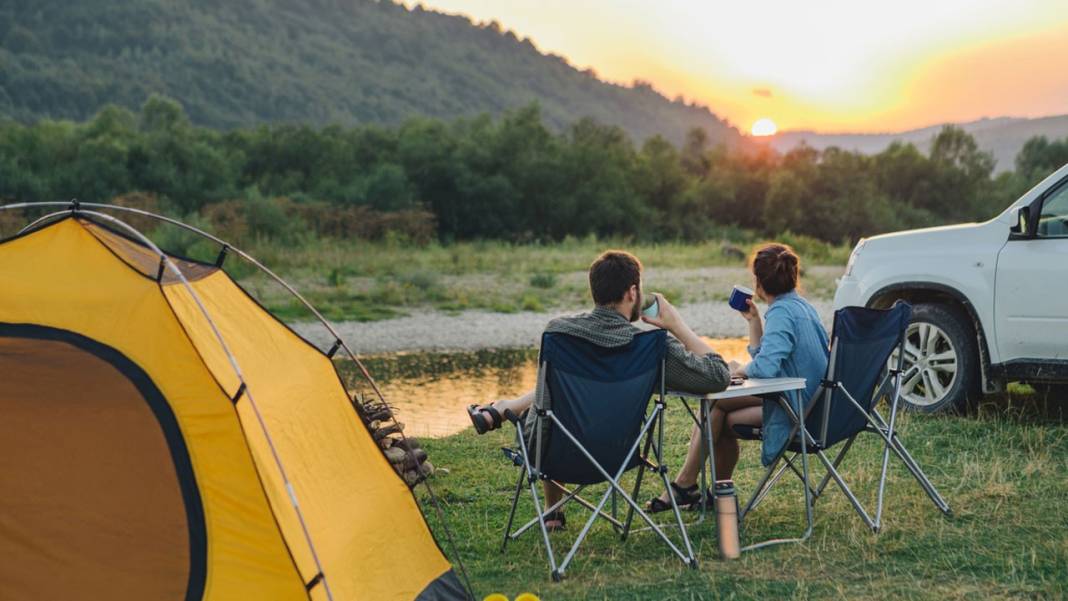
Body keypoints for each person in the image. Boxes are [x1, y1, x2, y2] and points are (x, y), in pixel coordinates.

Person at [466, 250, 730, 530]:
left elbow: (545, 403)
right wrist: (676, 325)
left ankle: (552, 509)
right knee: (550, 397)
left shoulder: (559, 333)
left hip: (553, 453)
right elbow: (718, 376)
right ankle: (504, 408)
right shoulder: (651, 346)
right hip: (619, 454)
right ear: (632, 293)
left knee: (548, 403)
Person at [652, 243, 829, 509]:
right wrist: (754, 322)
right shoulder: (801, 307)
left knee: (716, 406)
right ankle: (708, 492)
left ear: (757, 283)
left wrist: (739, 371)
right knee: (718, 411)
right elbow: (768, 359)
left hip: (796, 408)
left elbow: (765, 369)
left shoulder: (782, 313)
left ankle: (686, 486)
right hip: (810, 400)